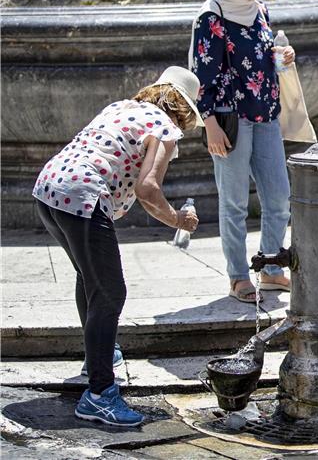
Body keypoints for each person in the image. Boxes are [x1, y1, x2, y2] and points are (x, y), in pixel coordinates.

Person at [32, 67, 202, 426]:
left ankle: (101, 359)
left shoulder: (121, 107)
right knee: (110, 292)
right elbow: (148, 189)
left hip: (48, 189)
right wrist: (177, 220)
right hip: (82, 195)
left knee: (90, 279)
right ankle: (99, 395)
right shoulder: (164, 127)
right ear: (183, 110)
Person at [189, 0, 293, 302]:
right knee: (233, 203)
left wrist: (282, 56)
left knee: (279, 197)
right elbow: (201, 75)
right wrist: (209, 124)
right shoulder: (211, 16)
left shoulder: (259, 9)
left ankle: (270, 267)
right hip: (229, 119)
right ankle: (237, 276)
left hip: (265, 113)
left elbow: (264, 58)